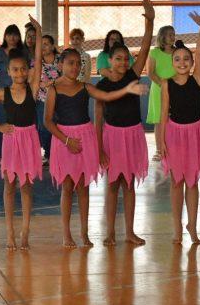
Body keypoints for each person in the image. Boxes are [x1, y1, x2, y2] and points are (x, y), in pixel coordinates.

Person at [44, 48, 146, 248]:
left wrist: (126, 90)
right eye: (70, 63)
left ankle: (84, 233)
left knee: (83, 187)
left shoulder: (86, 87)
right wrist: (66, 141)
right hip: (64, 141)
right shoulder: (53, 89)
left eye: (77, 63)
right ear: (60, 65)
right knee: (67, 187)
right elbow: (48, 122)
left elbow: (106, 97)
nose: (74, 67)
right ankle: (67, 234)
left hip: (84, 139)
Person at [0, 16, 44, 251]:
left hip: (29, 139)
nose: (19, 73)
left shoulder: (33, 88)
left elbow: (37, 60)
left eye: (23, 69)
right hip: (11, 140)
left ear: (28, 70)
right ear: (8, 71)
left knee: (26, 187)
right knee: (9, 186)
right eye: (15, 69)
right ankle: (10, 234)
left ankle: (25, 232)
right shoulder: (2, 92)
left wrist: (38, 30)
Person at [95, 0, 154, 247]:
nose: (122, 62)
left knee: (129, 184)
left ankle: (129, 231)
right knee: (112, 185)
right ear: (109, 60)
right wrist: (99, 147)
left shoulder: (133, 74)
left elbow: (146, 44)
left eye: (125, 59)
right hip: (112, 137)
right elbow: (98, 119)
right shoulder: (102, 86)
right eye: (117, 58)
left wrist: (150, 21)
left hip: (133, 136)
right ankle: (110, 232)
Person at [157, 12, 200, 245]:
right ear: (172, 62)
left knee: (193, 181)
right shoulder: (167, 84)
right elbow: (163, 114)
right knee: (177, 181)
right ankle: (177, 227)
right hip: (175, 134)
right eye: (177, 59)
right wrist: (161, 141)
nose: (182, 62)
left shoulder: (197, 79)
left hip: (195, 132)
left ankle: (192, 225)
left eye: (186, 59)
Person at [0, 25, 25, 167]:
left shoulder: (23, 52)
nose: (12, 37)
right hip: (0, 94)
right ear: (5, 36)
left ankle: (17, 154)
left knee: (18, 124)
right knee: (2, 123)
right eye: (9, 34)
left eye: (15, 34)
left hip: (20, 94)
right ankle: (0, 155)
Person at [147, 25, 176, 161]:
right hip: (159, 90)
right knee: (159, 120)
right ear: (162, 36)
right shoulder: (155, 52)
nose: (172, 37)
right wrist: (163, 85)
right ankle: (159, 150)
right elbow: (150, 73)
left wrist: (174, 87)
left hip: (176, 90)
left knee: (174, 119)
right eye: (169, 34)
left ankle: (173, 148)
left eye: (173, 34)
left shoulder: (178, 52)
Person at [33, 34, 60, 163]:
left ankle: (59, 153)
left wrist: (49, 83)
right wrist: (39, 84)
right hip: (42, 100)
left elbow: (66, 77)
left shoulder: (60, 60)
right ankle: (49, 154)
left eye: (46, 44)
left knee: (58, 126)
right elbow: (32, 80)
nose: (43, 46)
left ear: (53, 46)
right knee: (44, 127)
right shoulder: (36, 61)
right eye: (41, 44)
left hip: (60, 100)